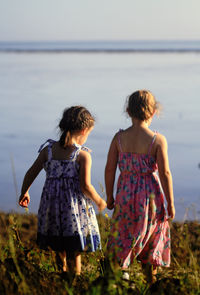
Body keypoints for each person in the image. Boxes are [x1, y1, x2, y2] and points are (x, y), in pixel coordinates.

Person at [19, 106, 107, 276]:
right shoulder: (82, 155)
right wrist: (99, 201)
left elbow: (31, 173)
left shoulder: (49, 151)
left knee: (58, 246)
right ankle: (73, 280)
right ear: (83, 130)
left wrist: (25, 192)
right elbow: (85, 186)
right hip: (73, 211)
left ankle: (62, 275)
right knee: (74, 249)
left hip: (51, 208)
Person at [105, 90, 175, 283]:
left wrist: (109, 197)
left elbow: (110, 169)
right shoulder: (157, 140)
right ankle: (150, 282)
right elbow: (165, 173)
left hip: (125, 195)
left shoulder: (119, 138)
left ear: (128, 111)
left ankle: (120, 275)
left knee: (125, 232)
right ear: (153, 113)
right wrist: (170, 202)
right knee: (152, 235)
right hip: (150, 196)